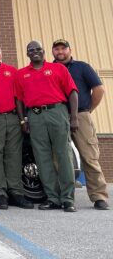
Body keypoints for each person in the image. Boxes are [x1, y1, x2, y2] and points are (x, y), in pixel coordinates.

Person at [14, 40, 78, 212]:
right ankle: (52, 198)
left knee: (64, 155)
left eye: (38, 49)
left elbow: (72, 92)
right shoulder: (21, 74)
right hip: (34, 117)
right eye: (31, 50)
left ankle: (67, 199)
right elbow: (19, 100)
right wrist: (22, 120)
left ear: (43, 51)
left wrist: (74, 117)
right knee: (42, 158)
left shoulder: (59, 68)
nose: (35, 51)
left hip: (57, 112)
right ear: (27, 54)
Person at [52, 39, 109, 210]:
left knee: (89, 157)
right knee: (60, 159)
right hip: (58, 116)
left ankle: (99, 196)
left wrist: (87, 110)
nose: (60, 52)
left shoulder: (82, 67)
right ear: (52, 51)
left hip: (82, 115)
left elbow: (98, 89)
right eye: (56, 49)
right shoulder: (50, 68)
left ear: (69, 50)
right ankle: (66, 197)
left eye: (63, 48)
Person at [0, 43, 33, 210]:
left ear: (1, 53)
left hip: (13, 117)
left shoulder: (12, 71)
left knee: (14, 155)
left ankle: (16, 192)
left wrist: (22, 119)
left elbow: (20, 97)